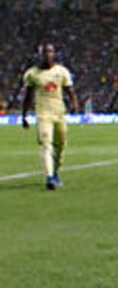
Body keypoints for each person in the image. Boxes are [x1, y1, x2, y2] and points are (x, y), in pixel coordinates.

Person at [21, 43, 78, 190]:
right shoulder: (32, 74)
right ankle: (49, 177)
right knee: (45, 143)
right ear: (39, 54)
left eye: (50, 51)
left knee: (60, 145)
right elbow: (28, 96)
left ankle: (55, 172)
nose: (47, 54)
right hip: (43, 114)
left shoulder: (62, 71)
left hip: (59, 113)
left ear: (54, 53)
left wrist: (74, 104)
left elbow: (69, 89)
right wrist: (24, 115)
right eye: (44, 52)